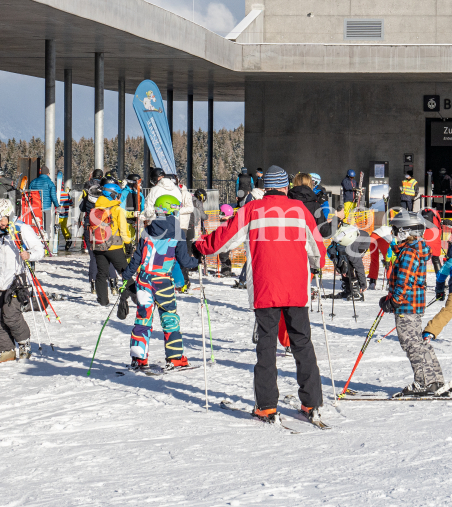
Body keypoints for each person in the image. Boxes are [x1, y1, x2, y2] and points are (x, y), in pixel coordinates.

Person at [194, 164, 325, 425]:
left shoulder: (252, 210)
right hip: (296, 288)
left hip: (266, 288)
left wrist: (200, 247)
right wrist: (315, 265)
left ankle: (266, 406)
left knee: (266, 347)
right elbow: (317, 248)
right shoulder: (300, 210)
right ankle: (311, 402)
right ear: (286, 187)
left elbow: (224, 238)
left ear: (265, 187)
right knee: (302, 344)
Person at [118, 193, 199, 370]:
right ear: (171, 210)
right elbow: (184, 260)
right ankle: (175, 358)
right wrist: (197, 261)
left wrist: (126, 276)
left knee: (142, 319)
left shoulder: (147, 229)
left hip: (144, 281)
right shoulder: (176, 229)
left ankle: (139, 359)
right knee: (169, 317)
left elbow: (137, 258)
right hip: (162, 281)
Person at [379, 211, 450, 397]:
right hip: (412, 304)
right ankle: (435, 379)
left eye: (396, 230)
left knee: (412, 344)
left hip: (406, 305)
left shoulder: (409, 252)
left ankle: (423, 382)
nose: (394, 234)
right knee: (419, 343)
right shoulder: (414, 249)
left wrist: (394, 301)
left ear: (405, 231)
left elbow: (404, 280)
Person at [0, 198, 45, 362]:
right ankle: (6, 349)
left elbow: (40, 250)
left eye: (0, 219)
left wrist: (30, 255)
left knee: (10, 315)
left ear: (8, 215)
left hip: (16, 280)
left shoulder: (22, 229)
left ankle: (24, 343)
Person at [87, 181, 132, 307]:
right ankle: (136, 297)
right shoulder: (117, 209)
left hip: (98, 245)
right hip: (114, 246)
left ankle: (102, 300)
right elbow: (123, 229)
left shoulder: (95, 208)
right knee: (125, 271)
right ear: (112, 195)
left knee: (102, 273)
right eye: (117, 194)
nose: (118, 197)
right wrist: (128, 243)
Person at [27, 166, 59, 238]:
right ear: (48, 173)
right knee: (46, 226)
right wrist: (57, 205)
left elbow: (29, 194)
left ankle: (36, 238)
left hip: (35, 207)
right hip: (46, 207)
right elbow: (53, 196)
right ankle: (46, 240)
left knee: (36, 225)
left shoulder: (33, 182)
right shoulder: (50, 183)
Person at [367, 225, 394, 290]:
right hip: (381, 238)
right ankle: (389, 283)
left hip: (372, 236)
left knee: (374, 260)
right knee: (389, 261)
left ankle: (372, 282)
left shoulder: (386, 228)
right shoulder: (394, 232)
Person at [217, 204, 236, 277]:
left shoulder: (226, 221)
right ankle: (226, 270)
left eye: (221, 213)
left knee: (223, 255)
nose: (219, 215)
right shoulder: (228, 221)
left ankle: (226, 271)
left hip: (225, 241)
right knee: (224, 256)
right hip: (226, 241)